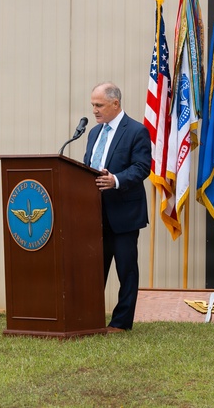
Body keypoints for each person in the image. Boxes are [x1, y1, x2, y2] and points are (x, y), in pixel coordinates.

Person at [83, 82, 151, 332]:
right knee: (93, 270)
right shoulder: (93, 133)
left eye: (99, 105)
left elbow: (142, 167)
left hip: (124, 213)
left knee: (126, 269)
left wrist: (116, 180)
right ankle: (89, 318)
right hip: (95, 214)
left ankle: (121, 323)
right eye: (92, 105)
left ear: (115, 104)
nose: (94, 110)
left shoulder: (136, 131)